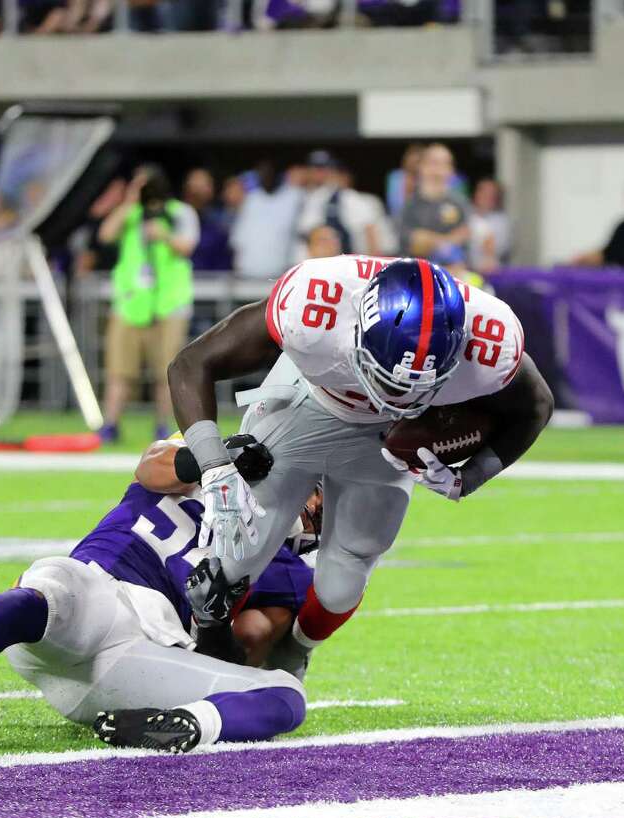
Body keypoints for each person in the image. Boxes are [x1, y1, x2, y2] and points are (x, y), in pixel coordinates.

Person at [169, 256, 553, 679]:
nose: (399, 395)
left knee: (342, 583)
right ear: (357, 329)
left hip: (384, 442)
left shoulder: (489, 340)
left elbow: (535, 405)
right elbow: (190, 363)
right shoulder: (315, 308)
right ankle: (204, 647)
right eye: (388, 378)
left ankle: (294, 650)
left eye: (416, 387)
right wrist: (215, 468)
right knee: (233, 556)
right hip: (305, 404)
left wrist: (470, 476)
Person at [0, 433, 322, 753]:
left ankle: (180, 723)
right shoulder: (210, 462)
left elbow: (238, 653)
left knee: (287, 696)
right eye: (319, 489)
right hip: (93, 598)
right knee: (64, 589)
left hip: (136, 652)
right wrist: (216, 459)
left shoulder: (287, 570)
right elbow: (151, 466)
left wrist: (213, 619)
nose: (318, 506)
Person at [98, 164, 198, 443]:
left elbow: (188, 246)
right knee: (119, 369)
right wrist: (128, 202)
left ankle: (163, 426)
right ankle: (111, 425)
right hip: (131, 305)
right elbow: (105, 234)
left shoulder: (180, 212)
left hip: (169, 304)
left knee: (166, 370)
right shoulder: (130, 214)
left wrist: (163, 235)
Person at [293, 151, 385, 262]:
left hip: (340, 264)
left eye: (323, 168)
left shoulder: (346, 196)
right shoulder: (302, 196)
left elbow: (370, 230)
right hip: (306, 262)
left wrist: (372, 264)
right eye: (314, 168)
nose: (318, 173)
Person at [398, 143, 472, 260]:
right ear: (421, 167)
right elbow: (411, 243)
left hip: (454, 272)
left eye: (445, 164)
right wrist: (449, 240)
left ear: (451, 170)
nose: (438, 171)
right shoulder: (410, 205)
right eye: (434, 163)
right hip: (418, 272)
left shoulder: (460, 204)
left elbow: (465, 239)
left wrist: (428, 239)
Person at [230, 161, 303, 281]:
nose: (266, 177)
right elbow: (238, 241)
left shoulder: (295, 196)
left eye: (270, 173)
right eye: (262, 174)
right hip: (247, 273)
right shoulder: (251, 200)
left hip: (281, 275)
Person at [182, 168, 233, 272]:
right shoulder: (174, 218)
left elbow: (223, 267)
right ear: (187, 188)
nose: (199, 191)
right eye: (195, 185)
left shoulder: (218, 229)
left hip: (209, 284)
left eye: (206, 186)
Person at [468, 178, 513, 273]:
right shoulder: (465, 215)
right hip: (464, 270)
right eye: (483, 192)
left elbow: (502, 249)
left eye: (491, 194)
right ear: (476, 193)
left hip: (493, 271)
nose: (486, 196)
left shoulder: (502, 221)